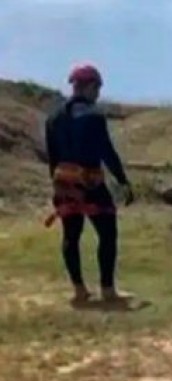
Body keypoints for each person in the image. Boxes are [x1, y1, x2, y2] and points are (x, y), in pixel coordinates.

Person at [44, 63, 135, 303]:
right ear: (90, 86)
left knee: (71, 235)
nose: (98, 93)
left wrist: (57, 187)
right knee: (108, 233)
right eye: (98, 88)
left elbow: (52, 157)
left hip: (64, 182)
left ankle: (79, 289)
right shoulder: (94, 116)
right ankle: (108, 289)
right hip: (91, 182)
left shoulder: (53, 118)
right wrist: (123, 180)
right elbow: (106, 151)